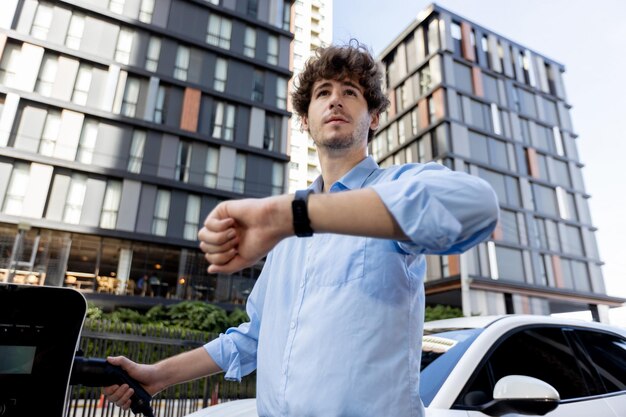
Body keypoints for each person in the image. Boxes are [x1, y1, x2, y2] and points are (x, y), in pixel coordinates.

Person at [104, 40, 499, 416]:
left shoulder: (390, 189)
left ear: (374, 116)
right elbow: (252, 337)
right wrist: (157, 376)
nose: (335, 99)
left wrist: (290, 215)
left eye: (351, 92)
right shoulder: (283, 237)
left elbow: (476, 206)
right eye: (323, 92)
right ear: (307, 121)